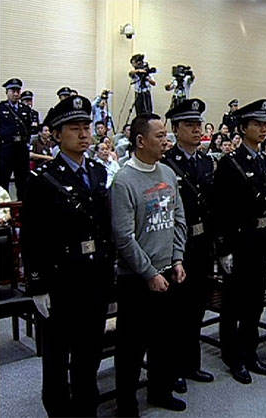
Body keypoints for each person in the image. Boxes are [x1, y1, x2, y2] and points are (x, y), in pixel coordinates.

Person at [22, 95, 115, 417]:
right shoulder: (43, 178)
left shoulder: (98, 172)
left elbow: (104, 227)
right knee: (57, 358)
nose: (84, 134)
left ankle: (87, 408)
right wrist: (37, 285)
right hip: (61, 280)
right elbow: (32, 237)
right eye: (74, 128)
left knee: (89, 353)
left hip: (95, 278)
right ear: (57, 134)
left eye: (86, 127)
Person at [111, 113, 188, 415]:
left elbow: (178, 218)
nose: (166, 141)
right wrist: (149, 272)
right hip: (136, 278)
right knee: (131, 346)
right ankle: (126, 404)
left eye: (166, 135)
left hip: (169, 271)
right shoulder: (124, 181)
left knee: (164, 340)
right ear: (141, 141)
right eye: (160, 136)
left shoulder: (167, 173)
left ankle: (160, 391)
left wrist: (177, 258)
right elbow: (123, 237)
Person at [213, 99, 266, 384]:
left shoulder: (262, 160)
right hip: (238, 241)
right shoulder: (230, 163)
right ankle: (232, 355)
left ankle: (250, 352)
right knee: (233, 303)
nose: (263, 129)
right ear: (242, 128)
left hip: (259, 240)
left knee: (255, 300)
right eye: (257, 124)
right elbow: (221, 209)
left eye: (265, 124)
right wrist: (224, 249)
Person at [162, 98, 215, 394]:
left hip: (203, 243)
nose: (197, 130)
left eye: (199, 124)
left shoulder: (206, 162)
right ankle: (174, 369)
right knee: (176, 312)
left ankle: (192, 363)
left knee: (197, 306)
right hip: (179, 246)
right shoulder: (167, 164)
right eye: (190, 125)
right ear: (176, 129)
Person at [0, 78, 32, 200]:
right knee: (3, 180)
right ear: (7, 92)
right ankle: (4, 207)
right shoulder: (0, 108)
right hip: (6, 149)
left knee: (23, 180)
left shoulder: (25, 109)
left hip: (21, 149)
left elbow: (29, 129)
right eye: (13, 91)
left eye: (18, 91)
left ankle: (23, 206)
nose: (16, 93)